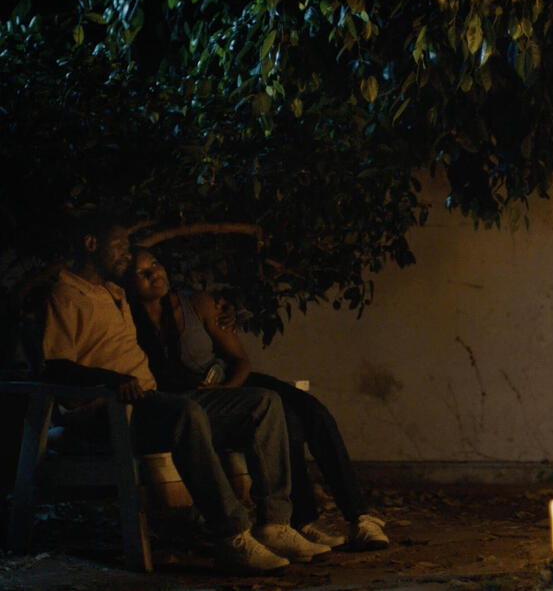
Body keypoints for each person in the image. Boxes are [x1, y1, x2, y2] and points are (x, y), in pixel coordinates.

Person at [41, 215, 331, 574]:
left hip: (151, 403)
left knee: (263, 403)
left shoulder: (114, 292)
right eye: (119, 246)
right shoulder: (64, 294)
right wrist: (110, 379)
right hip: (107, 411)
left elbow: (170, 301)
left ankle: (273, 524)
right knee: (185, 413)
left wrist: (222, 308)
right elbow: (53, 366)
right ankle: (231, 536)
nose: (126, 255)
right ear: (90, 244)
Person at [126, 246, 389, 551]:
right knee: (287, 423)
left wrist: (230, 390)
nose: (154, 274)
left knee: (312, 411)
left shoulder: (196, 303)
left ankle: (360, 516)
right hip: (199, 401)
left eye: (156, 264)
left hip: (232, 382)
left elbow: (240, 360)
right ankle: (300, 523)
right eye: (142, 272)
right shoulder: (125, 320)